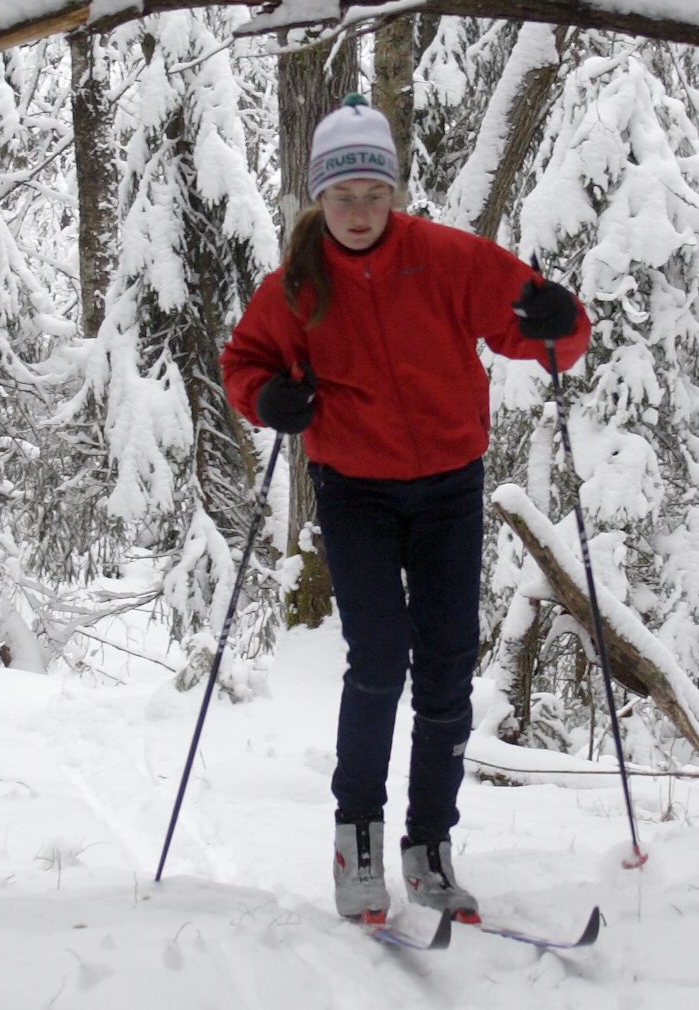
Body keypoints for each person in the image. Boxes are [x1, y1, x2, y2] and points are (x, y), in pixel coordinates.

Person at [221, 98, 590, 924]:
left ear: (394, 193)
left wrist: (561, 325)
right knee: (379, 658)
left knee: (449, 667)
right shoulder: (295, 287)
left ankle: (430, 848)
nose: (358, 212)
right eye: (342, 197)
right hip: (355, 489)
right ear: (320, 199)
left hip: (451, 487)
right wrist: (270, 397)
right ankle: (358, 841)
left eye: (373, 195)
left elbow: (540, 326)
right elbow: (243, 365)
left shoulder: (445, 258)